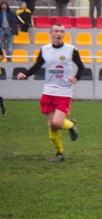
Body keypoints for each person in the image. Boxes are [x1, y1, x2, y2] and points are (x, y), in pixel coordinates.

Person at [16, 24, 83, 162]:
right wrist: (25, 74)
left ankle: (71, 125)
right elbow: (37, 66)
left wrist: (76, 78)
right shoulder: (45, 50)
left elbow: (81, 66)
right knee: (52, 125)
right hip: (48, 92)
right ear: (51, 33)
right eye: (56, 31)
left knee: (58, 122)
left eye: (62, 31)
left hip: (64, 92)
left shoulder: (71, 50)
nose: (59, 34)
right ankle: (60, 154)